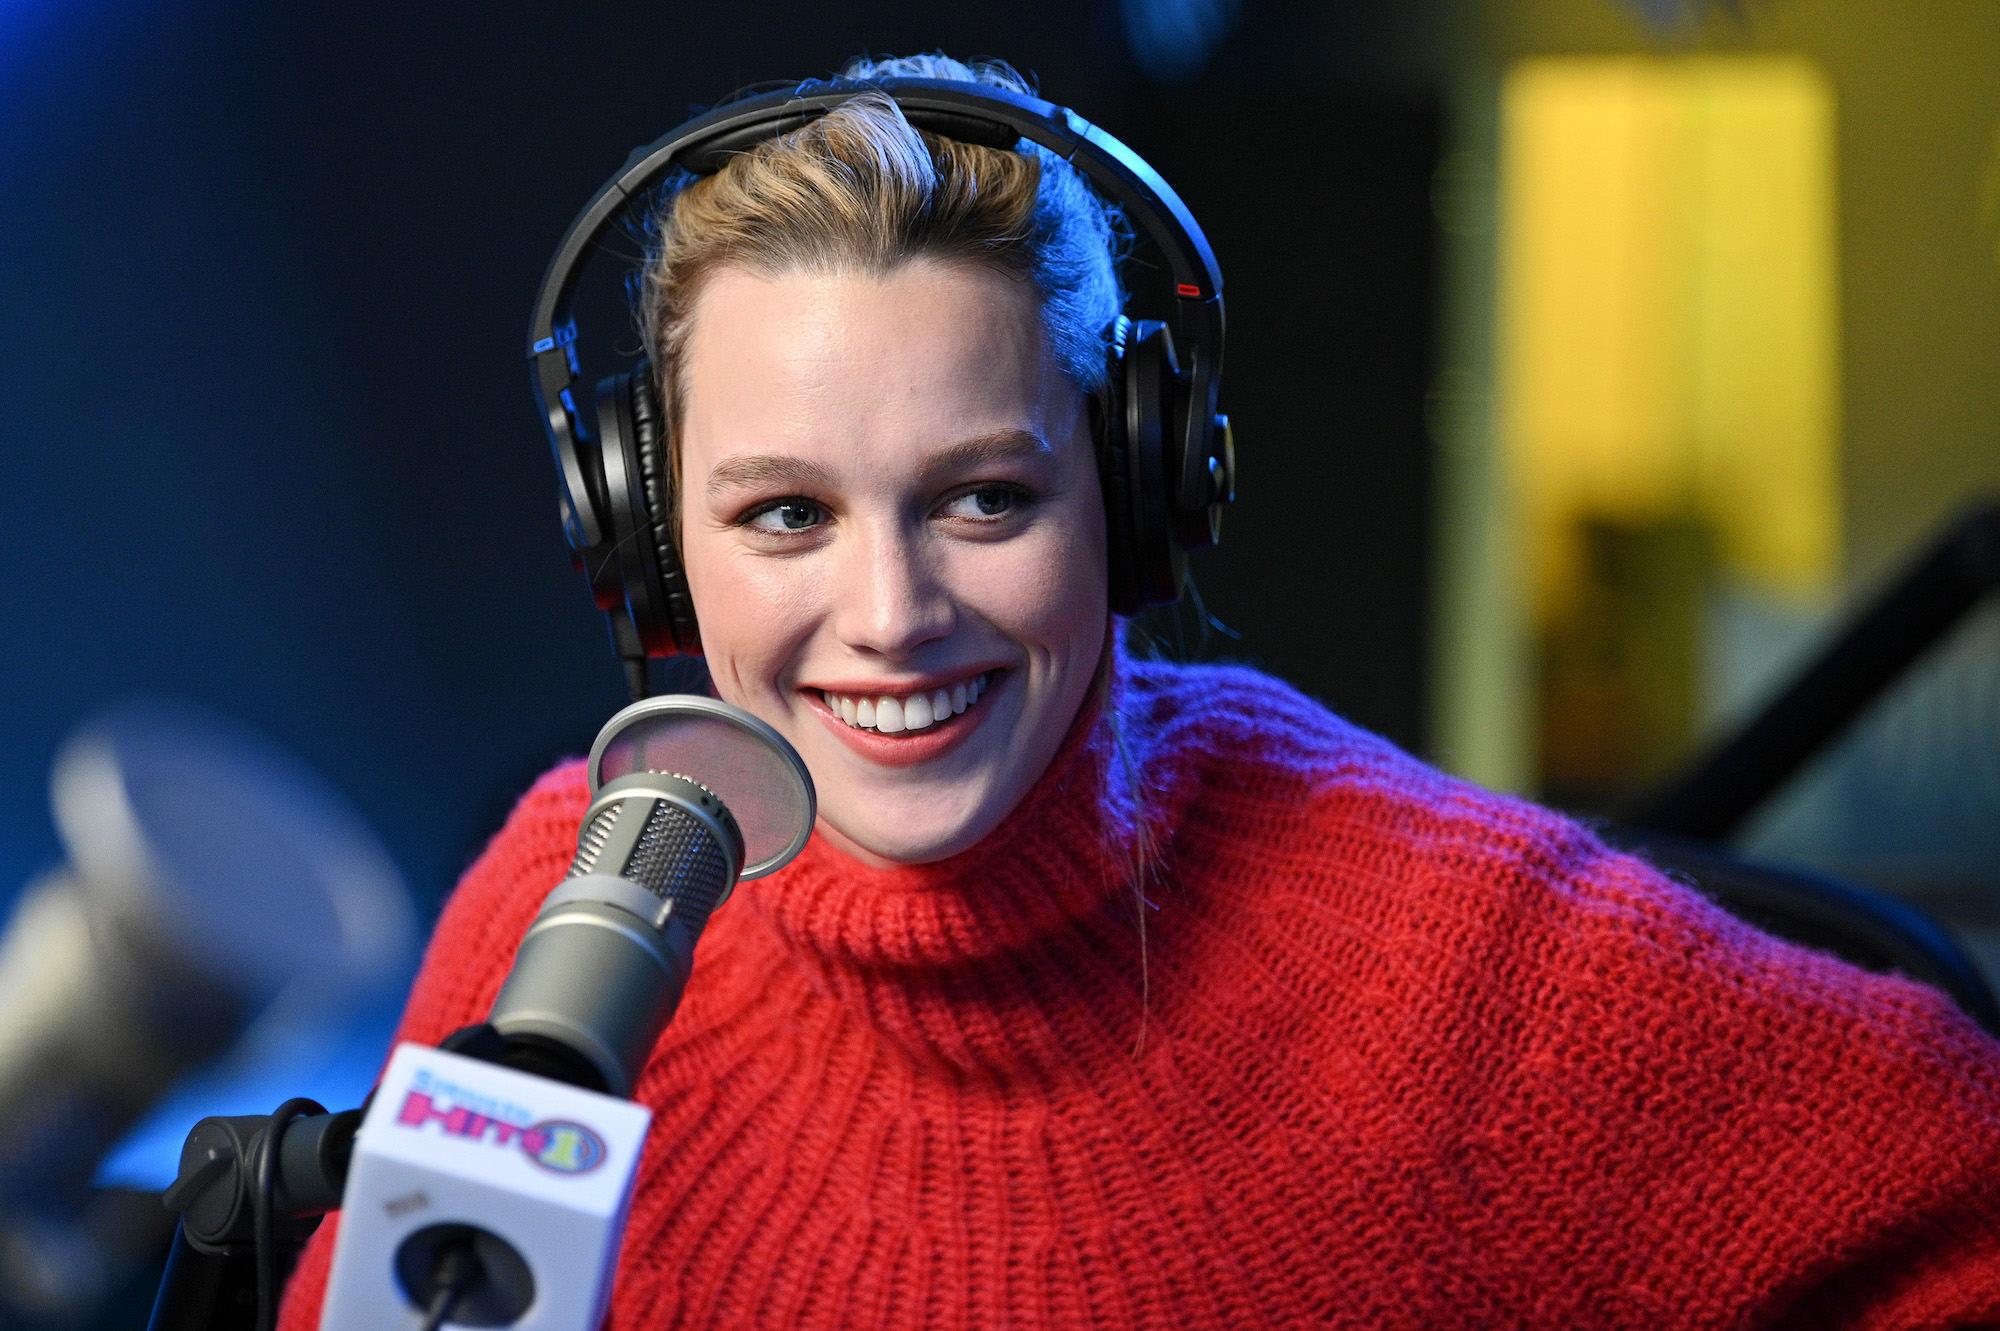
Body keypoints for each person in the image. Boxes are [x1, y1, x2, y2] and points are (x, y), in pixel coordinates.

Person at [281, 54, 2000, 1328]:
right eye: (786, 513)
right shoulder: (577, 899)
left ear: (1139, 492)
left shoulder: (1444, 955)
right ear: (651, 546)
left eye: (985, 497)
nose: (890, 614)